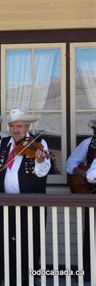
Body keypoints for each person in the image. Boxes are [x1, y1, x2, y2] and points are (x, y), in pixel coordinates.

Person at [0, 107, 51, 285]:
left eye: (19, 126)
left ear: (27, 126)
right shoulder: (3, 143)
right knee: (5, 241)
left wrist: (39, 160)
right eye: (13, 126)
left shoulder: (39, 143)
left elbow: (42, 172)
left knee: (30, 242)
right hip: (5, 202)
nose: (16, 130)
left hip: (31, 203)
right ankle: (8, 277)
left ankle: (29, 278)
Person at [66, 115, 96, 279]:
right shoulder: (88, 144)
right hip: (91, 194)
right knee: (90, 233)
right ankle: (88, 272)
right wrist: (82, 173)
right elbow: (70, 164)